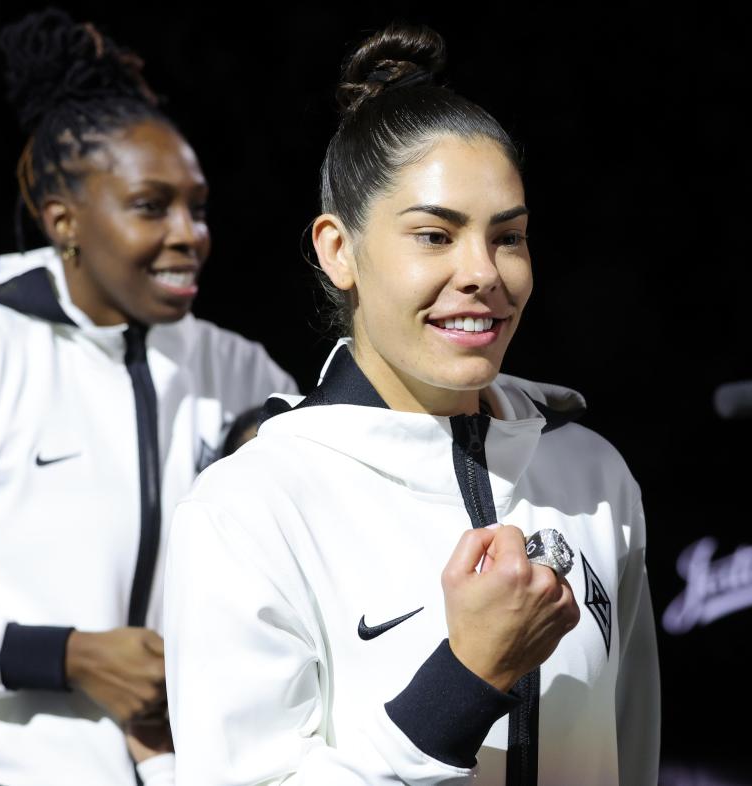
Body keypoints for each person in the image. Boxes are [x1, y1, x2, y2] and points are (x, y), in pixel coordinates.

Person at [163, 21, 660, 786]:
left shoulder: (592, 476)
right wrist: (464, 681)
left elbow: (631, 754)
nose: (481, 273)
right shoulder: (249, 505)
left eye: (509, 237)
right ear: (338, 250)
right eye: (434, 235)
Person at [0, 9, 295, 786]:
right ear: (64, 220)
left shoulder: (237, 368)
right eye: (152, 205)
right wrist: (60, 654)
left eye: (198, 206)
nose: (189, 233)